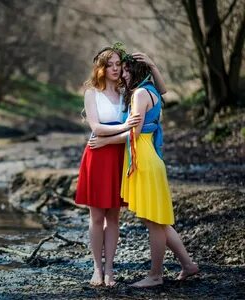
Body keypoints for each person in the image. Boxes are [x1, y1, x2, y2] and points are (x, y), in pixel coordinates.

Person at [88, 54, 199, 287]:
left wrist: (105, 142)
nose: (122, 74)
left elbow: (134, 133)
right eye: (119, 69)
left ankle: (156, 275)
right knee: (159, 221)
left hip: (145, 158)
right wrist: (152, 64)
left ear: (137, 72)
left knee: (153, 220)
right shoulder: (151, 91)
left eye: (126, 70)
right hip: (150, 157)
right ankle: (188, 265)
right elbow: (164, 89)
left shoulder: (139, 94)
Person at [75, 43, 167, 287]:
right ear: (101, 68)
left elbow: (159, 91)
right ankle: (96, 269)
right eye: (110, 65)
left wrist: (151, 64)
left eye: (118, 64)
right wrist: (125, 127)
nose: (115, 69)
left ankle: (109, 271)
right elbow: (95, 127)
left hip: (121, 156)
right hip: (98, 153)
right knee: (96, 216)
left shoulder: (129, 89)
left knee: (114, 217)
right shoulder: (91, 93)